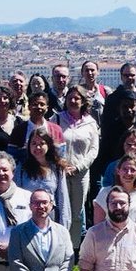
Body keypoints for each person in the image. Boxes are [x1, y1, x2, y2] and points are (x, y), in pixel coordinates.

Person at [50, 85, 100, 248]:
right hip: (60, 172)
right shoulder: (56, 119)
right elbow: (49, 143)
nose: (73, 101)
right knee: (60, 210)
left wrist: (78, 167)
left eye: (77, 98)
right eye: (70, 98)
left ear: (83, 101)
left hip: (81, 174)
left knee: (77, 213)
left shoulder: (91, 123)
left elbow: (93, 150)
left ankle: (74, 247)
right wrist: (61, 164)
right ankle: (59, 245)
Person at [15, 129, 71, 229]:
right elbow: (17, 197)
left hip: (50, 218)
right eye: (34, 143)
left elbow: (63, 199)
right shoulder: (22, 168)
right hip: (28, 218)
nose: (38, 147)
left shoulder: (57, 169)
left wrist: (64, 227)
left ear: (48, 145)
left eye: (42, 143)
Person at [94, 155, 136, 230]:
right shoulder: (105, 193)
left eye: (132, 170)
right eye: (125, 169)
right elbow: (98, 225)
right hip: (110, 239)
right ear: (118, 171)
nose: (128, 173)